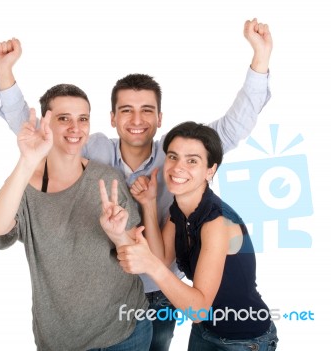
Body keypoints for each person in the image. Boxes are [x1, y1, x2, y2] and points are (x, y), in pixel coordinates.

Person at [0, 18, 273, 350]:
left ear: (159, 118)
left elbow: (230, 128)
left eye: (146, 111)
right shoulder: (93, 149)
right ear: (112, 118)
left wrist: (260, 59)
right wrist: (6, 77)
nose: (137, 120)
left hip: (161, 292)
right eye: (126, 110)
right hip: (106, 294)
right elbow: (40, 135)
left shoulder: (177, 153)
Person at [0, 84, 152, 350]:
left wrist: (118, 234)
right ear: (46, 123)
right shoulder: (25, 185)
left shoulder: (107, 179)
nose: (76, 128)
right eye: (64, 119)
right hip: (60, 341)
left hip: (125, 333)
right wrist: (28, 160)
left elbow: (135, 258)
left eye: (82, 119)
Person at [118, 121, 278, 350]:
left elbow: (198, 309)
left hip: (244, 340)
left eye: (192, 160)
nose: (177, 167)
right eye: (173, 157)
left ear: (210, 170)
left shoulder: (216, 224)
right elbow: (163, 258)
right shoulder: (181, 208)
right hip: (205, 330)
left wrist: (149, 263)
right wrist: (149, 202)